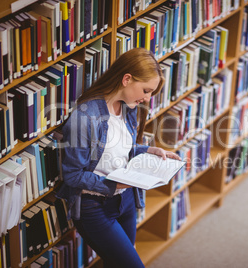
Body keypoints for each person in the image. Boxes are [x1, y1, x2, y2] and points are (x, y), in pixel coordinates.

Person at [57, 48, 180, 267]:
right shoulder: (85, 118)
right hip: (94, 206)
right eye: (146, 90)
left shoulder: (128, 107)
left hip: (126, 200)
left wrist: (150, 151)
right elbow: (72, 175)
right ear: (126, 79)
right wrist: (113, 184)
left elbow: (121, 148)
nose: (147, 99)